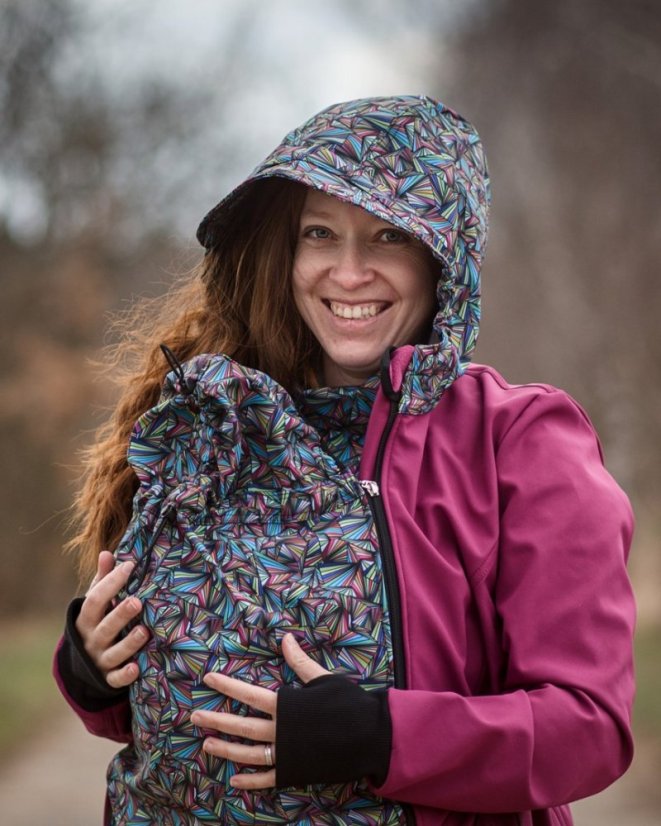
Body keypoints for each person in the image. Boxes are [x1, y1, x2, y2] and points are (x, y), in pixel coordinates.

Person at [53, 95, 635, 826]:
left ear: (442, 257)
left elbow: (585, 732)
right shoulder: (217, 415)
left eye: (388, 235)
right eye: (320, 233)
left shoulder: (518, 441)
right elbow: (150, 710)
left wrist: (382, 735)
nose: (348, 272)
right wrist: (90, 671)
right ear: (282, 251)